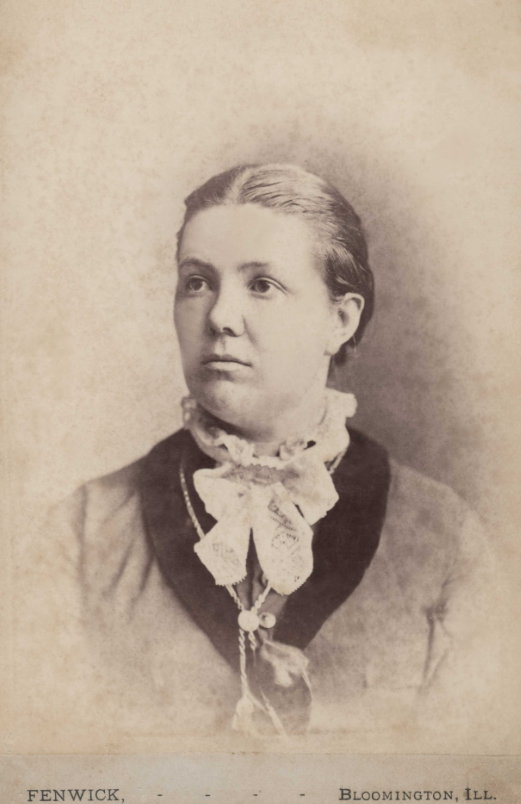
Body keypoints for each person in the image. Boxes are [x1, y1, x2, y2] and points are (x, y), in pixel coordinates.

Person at [25, 163, 496, 750]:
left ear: (340, 319)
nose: (220, 317)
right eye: (197, 281)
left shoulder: (444, 539)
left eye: (262, 285)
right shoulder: (81, 535)